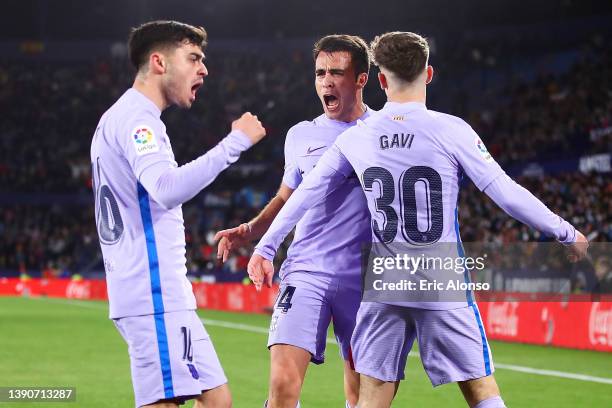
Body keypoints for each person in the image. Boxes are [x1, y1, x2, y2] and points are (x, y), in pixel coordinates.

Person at [247, 31, 589, 408]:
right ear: (428, 74)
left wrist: (265, 246)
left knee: (371, 396)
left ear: (378, 80)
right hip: (439, 277)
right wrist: (565, 231)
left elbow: (305, 193)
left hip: (384, 283)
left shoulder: (357, 138)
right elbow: (505, 193)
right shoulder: (451, 129)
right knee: (480, 390)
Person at [90, 20, 266, 408]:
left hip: (158, 292)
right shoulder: (138, 120)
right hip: (151, 292)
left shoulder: (121, 117)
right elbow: (166, 189)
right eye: (194, 58)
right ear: (158, 62)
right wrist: (235, 143)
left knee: (217, 399)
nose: (203, 69)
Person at [214, 35, 372, 408]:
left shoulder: (382, 133)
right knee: (283, 385)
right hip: (306, 271)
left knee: (361, 392)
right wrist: (251, 231)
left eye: (337, 72)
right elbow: (287, 197)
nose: (326, 82)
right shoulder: (301, 135)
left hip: (364, 277)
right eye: (320, 73)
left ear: (361, 79)